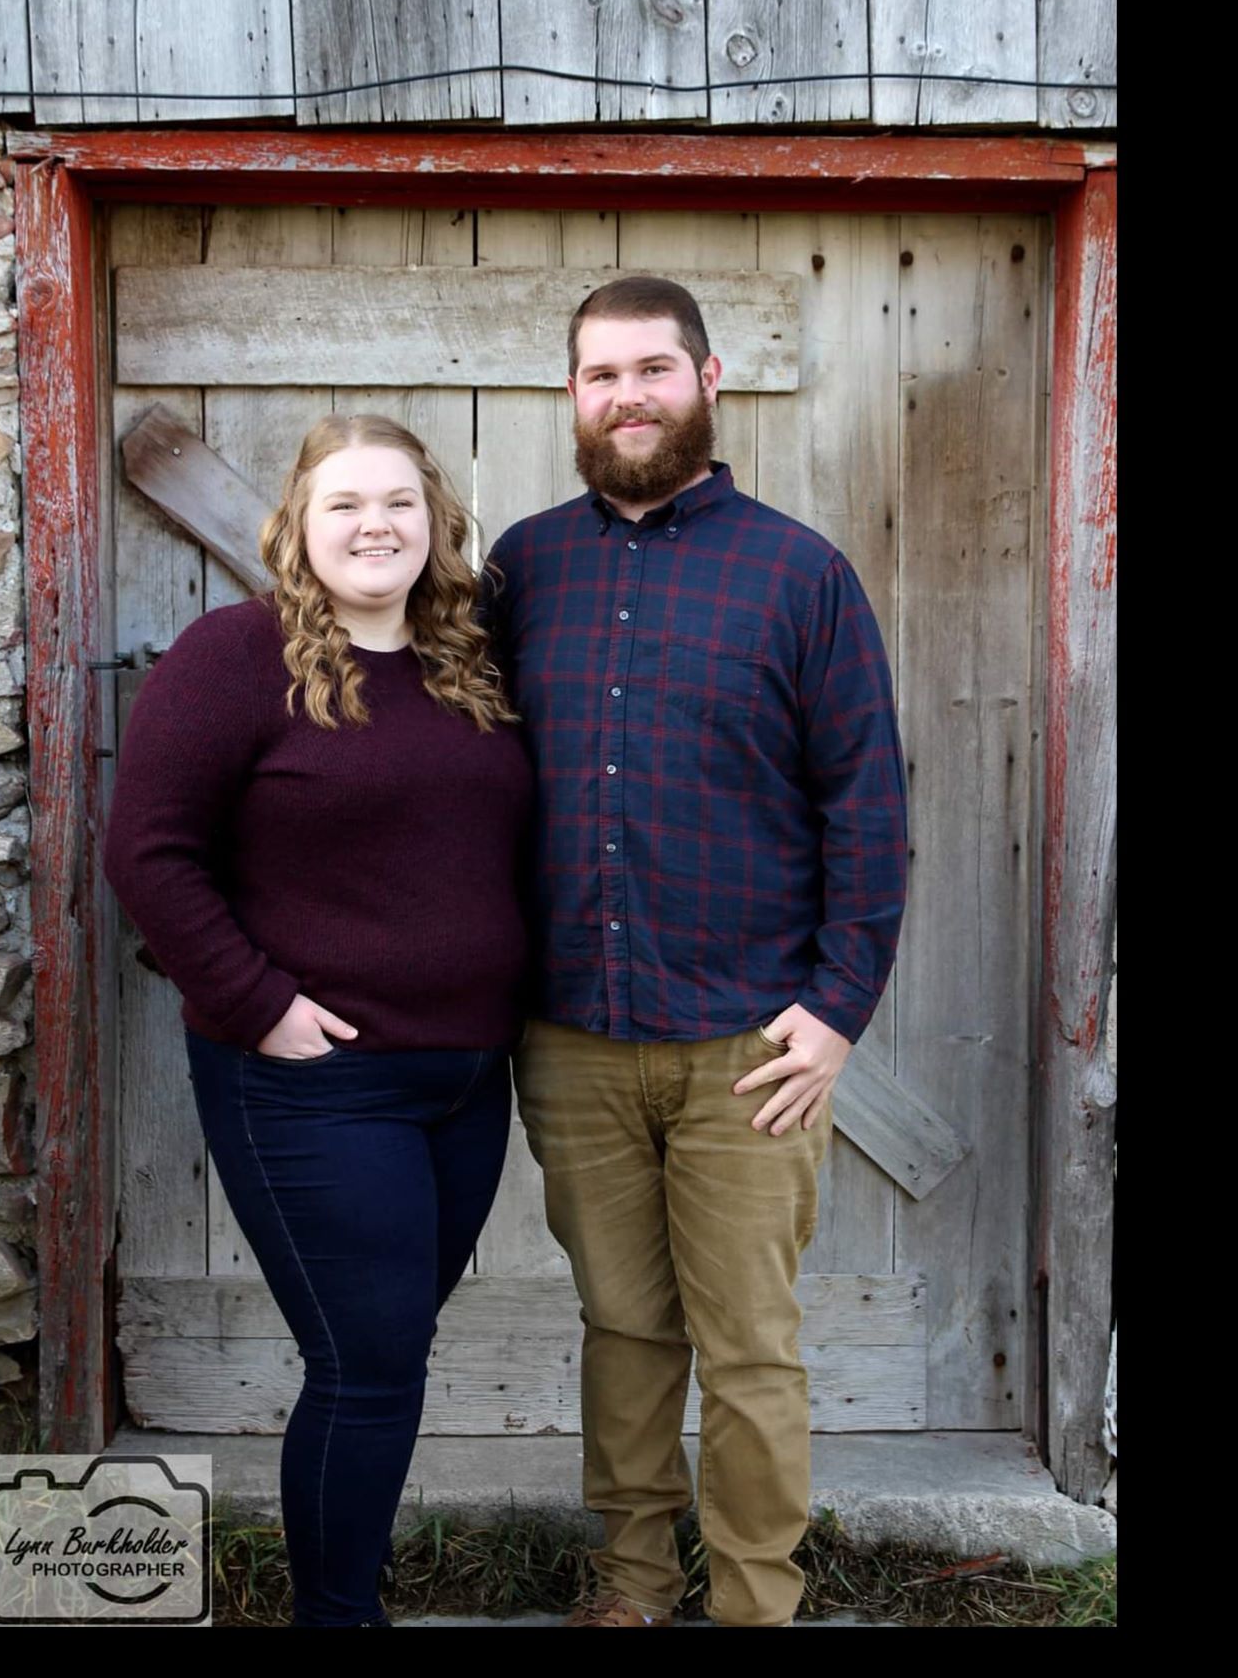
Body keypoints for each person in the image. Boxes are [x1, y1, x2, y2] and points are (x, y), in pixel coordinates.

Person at [483, 277, 910, 1628]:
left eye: (654, 369)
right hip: (573, 1040)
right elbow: (455, 770)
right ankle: (629, 1586)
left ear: (708, 379)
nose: (628, 397)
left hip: (751, 1049)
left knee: (749, 1351)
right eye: (601, 373)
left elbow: (869, 806)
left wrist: (837, 1012)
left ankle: (753, 1603)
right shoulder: (521, 568)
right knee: (622, 1330)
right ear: (572, 395)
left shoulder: (800, 574)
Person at [102, 414, 532, 1629]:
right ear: (295, 525)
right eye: (343, 503)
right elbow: (147, 850)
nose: (375, 525)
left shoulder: (468, 666)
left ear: (438, 523)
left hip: (462, 1086)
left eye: (399, 501)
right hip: (311, 1085)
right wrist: (259, 1007)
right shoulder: (235, 656)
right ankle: (336, 1616)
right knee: (369, 1367)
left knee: (383, 1362)